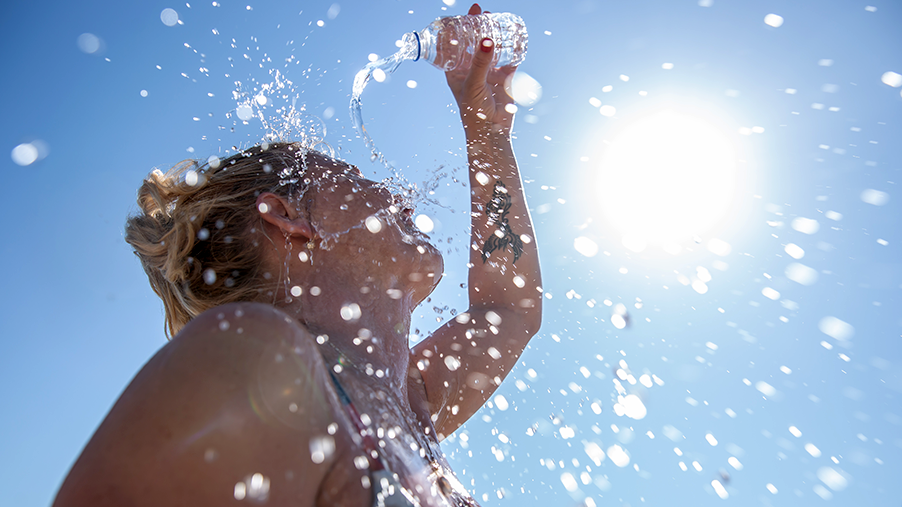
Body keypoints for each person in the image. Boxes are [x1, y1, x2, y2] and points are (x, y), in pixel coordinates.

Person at [53, 3, 541, 506]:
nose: (396, 194)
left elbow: (510, 308)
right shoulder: (262, 364)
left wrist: (486, 129)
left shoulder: (407, 403)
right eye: (354, 177)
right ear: (288, 217)